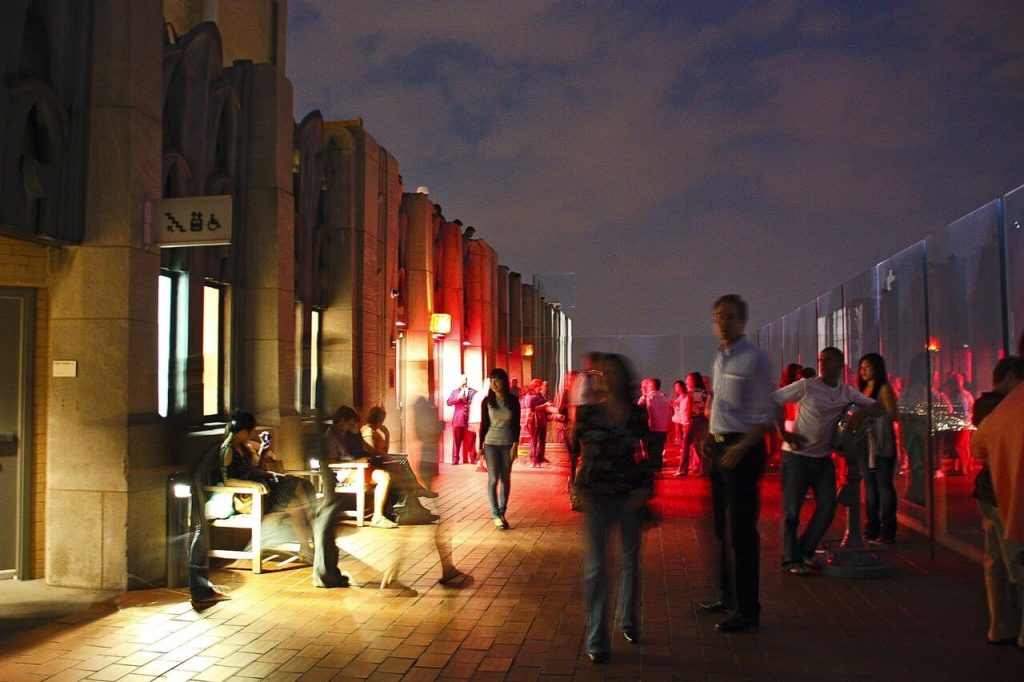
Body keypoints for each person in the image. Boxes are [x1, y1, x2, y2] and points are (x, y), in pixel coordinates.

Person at [699, 294, 775, 633]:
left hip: (742, 452)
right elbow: (721, 404)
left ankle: (748, 609)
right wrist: (711, 436)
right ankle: (727, 596)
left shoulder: (755, 359)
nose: (722, 323)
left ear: (742, 321)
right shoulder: (721, 357)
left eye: (729, 317)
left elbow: (765, 413)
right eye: (718, 317)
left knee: (742, 532)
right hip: (720, 448)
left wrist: (740, 447)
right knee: (721, 528)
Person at [772, 348, 882, 575]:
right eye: (821, 360)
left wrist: (860, 415)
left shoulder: (845, 392)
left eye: (829, 360)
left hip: (822, 459)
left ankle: (805, 550)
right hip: (796, 457)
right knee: (792, 512)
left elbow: (878, 407)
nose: (823, 364)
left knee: (828, 506)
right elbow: (774, 400)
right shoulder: (807, 386)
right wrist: (783, 433)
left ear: (841, 364)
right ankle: (791, 560)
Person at [573, 353, 652, 663]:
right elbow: (574, 455)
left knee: (630, 562)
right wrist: (575, 489)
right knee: (595, 568)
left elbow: (649, 455)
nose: (604, 377)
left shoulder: (637, 414)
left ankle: (628, 619)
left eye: (611, 372)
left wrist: (646, 489)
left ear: (624, 377)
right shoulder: (587, 414)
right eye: (600, 372)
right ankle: (597, 639)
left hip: (630, 493)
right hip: (595, 495)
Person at [971, 354, 1024, 645]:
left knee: (994, 558)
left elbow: (977, 447)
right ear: (1013, 376)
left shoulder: (987, 408)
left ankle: (999, 624)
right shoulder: (1007, 407)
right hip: (1005, 491)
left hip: (987, 491)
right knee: (1016, 557)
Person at [220, 411, 316, 560]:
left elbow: (254, 470)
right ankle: (313, 522)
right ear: (244, 431)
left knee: (296, 497)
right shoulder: (228, 450)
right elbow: (228, 480)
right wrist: (252, 485)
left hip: (260, 492)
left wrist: (264, 455)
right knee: (294, 485)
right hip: (247, 497)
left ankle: (305, 548)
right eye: (250, 432)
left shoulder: (243, 447)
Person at [322, 405, 399, 529]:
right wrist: (357, 462)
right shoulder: (331, 437)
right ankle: (378, 517)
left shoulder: (342, 434)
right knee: (384, 477)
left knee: (386, 475)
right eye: (350, 424)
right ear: (342, 421)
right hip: (347, 472)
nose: (351, 428)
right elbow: (331, 463)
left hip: (356, 468)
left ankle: (381, 513)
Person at [858, 353, 900, 544]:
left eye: (867, 367)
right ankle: (872, 527)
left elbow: (892, 414)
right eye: (861, 368)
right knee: (870, 487)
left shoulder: (883, 389)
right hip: (865, 443)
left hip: (881, 443)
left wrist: (871, 415)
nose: (863, 371)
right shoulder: (864, 389)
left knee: (883, 486)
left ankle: (887, 530)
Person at [480, 368, 521, 529]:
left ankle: (502, 512)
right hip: (490, 443)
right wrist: (479, 447)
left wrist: (515, 445)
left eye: (496, 380)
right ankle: (495, 514)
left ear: (504, 381)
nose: (493, 384)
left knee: (505, 479)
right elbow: (484, 425)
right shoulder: (487, 401)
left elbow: (516, 424)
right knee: (493, 479)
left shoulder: (513, 401)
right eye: (491, 381)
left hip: (507, 444)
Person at [676, 372, 710, 476]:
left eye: (689, 380)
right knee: (704, 444)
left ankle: (683, 469)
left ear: (694, 381)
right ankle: (705, 470)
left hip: (694, 419)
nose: (687, 382)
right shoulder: (706, 392)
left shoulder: (690, 393)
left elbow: (688, 408)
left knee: (686, 443)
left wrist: (686, 422)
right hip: (705, 419)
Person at [638, 377, 672, 472]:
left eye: (648, 385)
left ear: (651, 386)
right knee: (659, 450)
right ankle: (658, 471)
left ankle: (652, 472)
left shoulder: (648, 397)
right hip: (663, 428)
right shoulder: (665, 397)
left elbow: (638, 407)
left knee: (651, 451)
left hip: (652, 427)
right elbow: (670, 413)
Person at [446, 375, 477, 464]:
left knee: (472, 440)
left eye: (465, 379)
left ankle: (473, 458)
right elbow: (448, 402)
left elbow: (477, 402)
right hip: (458, 420)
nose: (463, 381)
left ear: (467, 380)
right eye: (461, 380)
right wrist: (458, 397)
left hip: (469, 419)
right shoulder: (455, 392)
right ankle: (455, 459)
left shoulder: (473, 392)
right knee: (456, 441)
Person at [522, 379, 550, 467]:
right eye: (540, 386)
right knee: (534, 440)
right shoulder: (529, 396)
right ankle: (534, 459)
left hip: (542, 420)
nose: (542, 387)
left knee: (542, 440)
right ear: (536, 386)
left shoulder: (539, 395)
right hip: (534, 420)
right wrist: (545, 405)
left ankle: (541, 457)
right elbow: (531, 409)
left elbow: (544, 404)